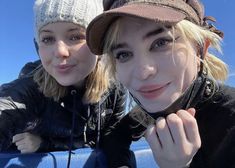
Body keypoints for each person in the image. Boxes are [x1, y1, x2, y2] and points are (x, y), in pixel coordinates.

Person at [86, 0, 235, 167]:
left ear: (201, 48)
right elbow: (116, 135)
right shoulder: (144, 115)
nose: (143, 72)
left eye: (161, 43)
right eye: (123, 54)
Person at [0, 0, 136, 167]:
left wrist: (44, 144)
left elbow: (112, 137)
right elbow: (6, 110)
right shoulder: (31, 90)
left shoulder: (115, 87)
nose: (60, 52)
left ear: (99, 43)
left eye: (75, 37)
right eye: (48, 39)